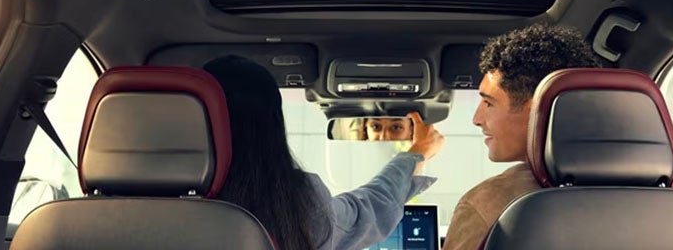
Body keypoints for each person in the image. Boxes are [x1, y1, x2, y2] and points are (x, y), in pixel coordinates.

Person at [203, 55, 445, 250]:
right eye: (376, 127)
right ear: (273, 127)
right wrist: (418, 152)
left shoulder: (167, 209)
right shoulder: (297, 203)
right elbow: (368, 211)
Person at [443, 24, 601, 250]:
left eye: (488, 103)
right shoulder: (664, 202)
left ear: (536, 109)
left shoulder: (488, 205)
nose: (476, 119)